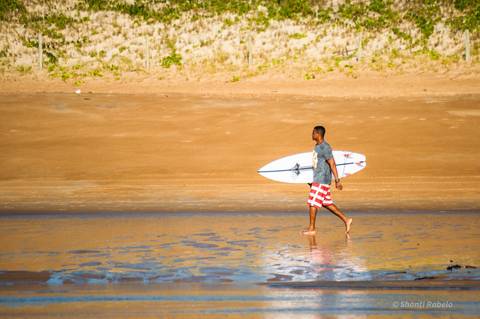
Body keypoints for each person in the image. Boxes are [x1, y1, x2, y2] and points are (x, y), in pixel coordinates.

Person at [302, 125, 353, 235]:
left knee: (312, 203)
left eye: (313, 133)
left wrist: (337, 180)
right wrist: (310, 179)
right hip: (318, 179)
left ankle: (312, 229)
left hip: (322, 180)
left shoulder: (325, 147)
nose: (312, 134)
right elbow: (317, 164)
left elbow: (332, 163)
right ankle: (346, 220)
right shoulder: (317, 146)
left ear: (318, 134)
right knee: (326, 203)